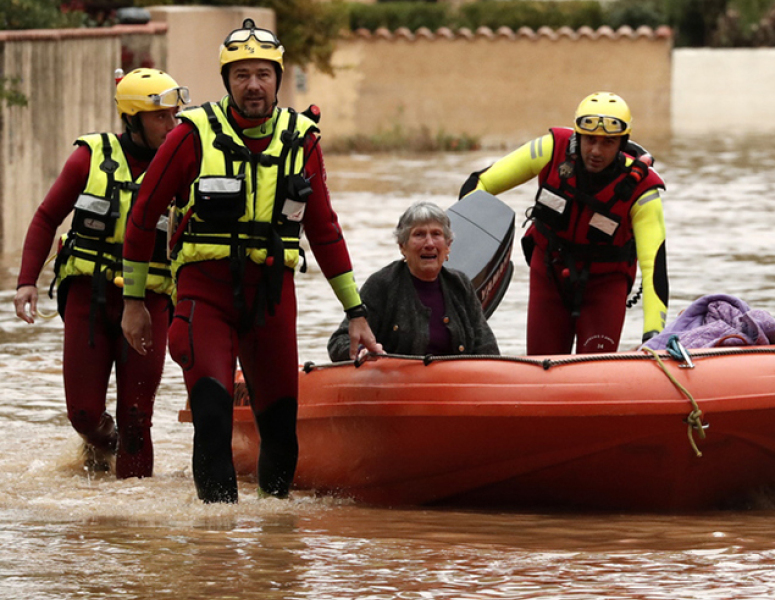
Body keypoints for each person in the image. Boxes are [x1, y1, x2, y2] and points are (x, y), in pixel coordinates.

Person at [120, 18, 380, 503]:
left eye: (263, 73)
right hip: (204, 295)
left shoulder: (303, 139)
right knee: (213, 419)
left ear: (278, 78)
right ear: (227, 81)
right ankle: (215, 549)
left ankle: (273, 547)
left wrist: (356, 313)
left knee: (281, 430)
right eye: (242, 75)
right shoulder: (190, 134)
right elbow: (142, 215)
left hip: (273, 300)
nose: (253, 85)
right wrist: (134, 301)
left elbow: (324, 231)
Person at [12, 68, 188, 478]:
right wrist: (26, 282)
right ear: (133, 118)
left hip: (151, 300)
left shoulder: (183, 163)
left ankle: (130, 526)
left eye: (175, 116)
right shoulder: (89, 157)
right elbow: (45, 217)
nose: (172, 125)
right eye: (161, 117)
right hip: (87, 298)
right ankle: (102, 448)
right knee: (84, 414)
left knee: (137, 420)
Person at [458, 92, 668, 355]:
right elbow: (481, 183)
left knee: (593, 373)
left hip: (605, 286)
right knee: (541, 366)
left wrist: (654, 336)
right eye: (590, 139)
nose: (596, 151)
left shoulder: (643, 191)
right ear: (578, 136)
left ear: (622, 143)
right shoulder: (549, 149)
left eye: (608, 143)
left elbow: (654, 268)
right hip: (549, 276)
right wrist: (463, 246)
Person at [327, 201, 499, 361]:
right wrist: (362, 352)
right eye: (419, 235)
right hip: (396, 388)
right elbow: (338, 342)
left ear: (448, 246)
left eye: (436, 234)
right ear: (402, 246)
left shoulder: (460, 284)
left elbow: (487, 347)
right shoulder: (382, 284)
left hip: (456, 387)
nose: (429, 243)